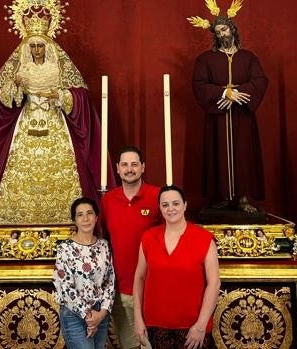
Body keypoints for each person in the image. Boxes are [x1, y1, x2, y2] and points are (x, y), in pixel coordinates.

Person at [0, 13, 114, 258]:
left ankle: (68, 228)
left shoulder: (61, 67)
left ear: (48, 45)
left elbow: (81, 98)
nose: (38, 50)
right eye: (33, 46)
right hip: (26, 126)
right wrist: (15, 85)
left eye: (41, 45)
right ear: (27, 47)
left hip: (55, 126)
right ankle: (4, 230)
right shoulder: (19, 68)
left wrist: (61, 96)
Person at [192, 14, 268, 212]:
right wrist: (224, 93)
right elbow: (199, 85)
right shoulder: (205, 60)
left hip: (242, 116)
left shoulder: (248, 58)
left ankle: (244, 198)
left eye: (224, 30)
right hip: (218, 117)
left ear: (233, 30)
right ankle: (222, 197)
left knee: (244, 154)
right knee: (218, 153)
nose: (221, 35)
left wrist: (238, 94)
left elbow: (259, 80)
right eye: (217, 32)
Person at [133, 186, 220, 349]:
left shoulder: (204, 238)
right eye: (165, 205)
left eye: (176, 203)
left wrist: (201, 325)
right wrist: (138, 319)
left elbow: (214, 284)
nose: (171, 209)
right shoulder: (148, 237)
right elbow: (139, 278)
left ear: (185, 205)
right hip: (155, 326)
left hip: (193, 328)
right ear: (159, 208)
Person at [101, 145, 160, 349]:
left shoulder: (158, 197)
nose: (129, 169)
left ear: (143, 167)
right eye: (124, 165)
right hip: (120, 292)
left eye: (134, 164)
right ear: (117, 168)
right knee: (130, 347)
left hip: (151, 290)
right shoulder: (107, 201)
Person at [54, 197, 115, 349]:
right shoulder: (65, 248)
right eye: (80, 214)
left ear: (96, 217)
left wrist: (101, 314)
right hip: (74, 314)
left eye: (89, 213)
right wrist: (88, 317)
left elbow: (110, 281)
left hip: (100, 313)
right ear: (74, 220)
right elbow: (65, 286)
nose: (86, 218)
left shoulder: (104, 245)